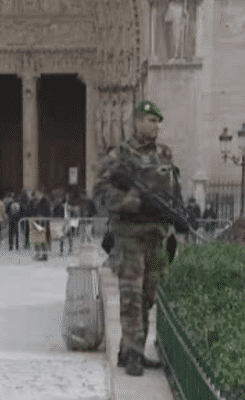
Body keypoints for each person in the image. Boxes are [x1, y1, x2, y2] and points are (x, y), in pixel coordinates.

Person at [96, 100, 185, 376]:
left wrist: (177, 216)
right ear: (135, 122)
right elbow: (100, 194)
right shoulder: (119, 157)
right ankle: (133, 353)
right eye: (149, 120)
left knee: (148, 295)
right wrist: (132, 202)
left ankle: (132, 349)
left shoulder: (164, 155)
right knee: (131, 296)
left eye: (158, 121)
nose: (155, 126)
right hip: (130, 235)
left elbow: (174, 192)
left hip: (157, 236)